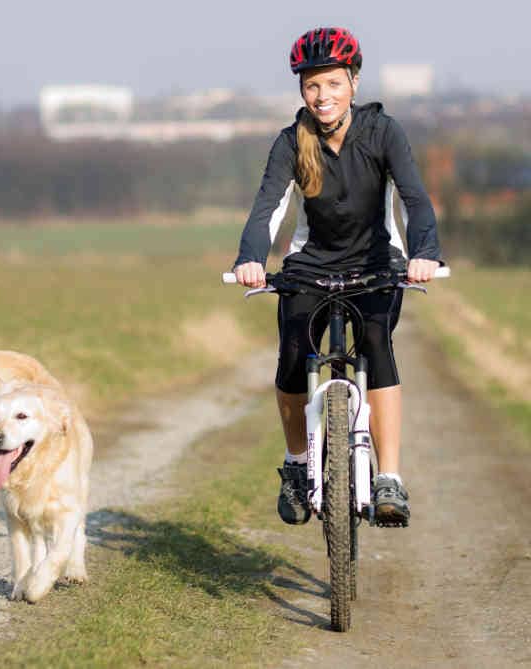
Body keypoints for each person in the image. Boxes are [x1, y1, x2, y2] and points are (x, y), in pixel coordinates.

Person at [232, 27, 442, 527]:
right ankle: (298, 465)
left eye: (332, 83)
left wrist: (425, 252)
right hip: (311, 265)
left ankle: (388, 477)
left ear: (353, 82)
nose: (322, 96)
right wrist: (251, 257)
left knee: (375, 344)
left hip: (376, 264)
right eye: (311, 86)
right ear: (301, 91)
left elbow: (413, 198)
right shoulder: (291, 142)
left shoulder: (384, 132)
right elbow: (268, 207)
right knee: (291, 355)